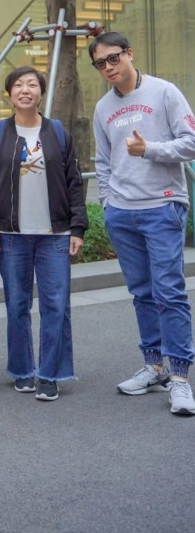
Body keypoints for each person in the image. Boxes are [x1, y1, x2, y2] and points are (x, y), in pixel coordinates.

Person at [90, 31, 195, 417]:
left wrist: (149, 149)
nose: (108, 67)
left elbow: (191, 142)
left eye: (113, 58)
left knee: (169, 292)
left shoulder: (164, 92)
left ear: (129, 54)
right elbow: (103, 161)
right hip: (122, 213)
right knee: (142, 293)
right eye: (100, 63)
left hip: (162, 206)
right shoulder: (102, 107)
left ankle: (180, 376)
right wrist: (108, 204)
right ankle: (154, 366)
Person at [0, 66, 87, 402]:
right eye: (18, 85)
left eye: (32, 85)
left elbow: (74, 182)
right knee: (17, 304)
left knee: (56, 305)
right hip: (11, 235)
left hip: (55, 234)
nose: (25, 90)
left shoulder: (57, 132)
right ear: (9, 94)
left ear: (41, 92)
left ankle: (51, 374)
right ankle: (23, 370)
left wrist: (78, 227)